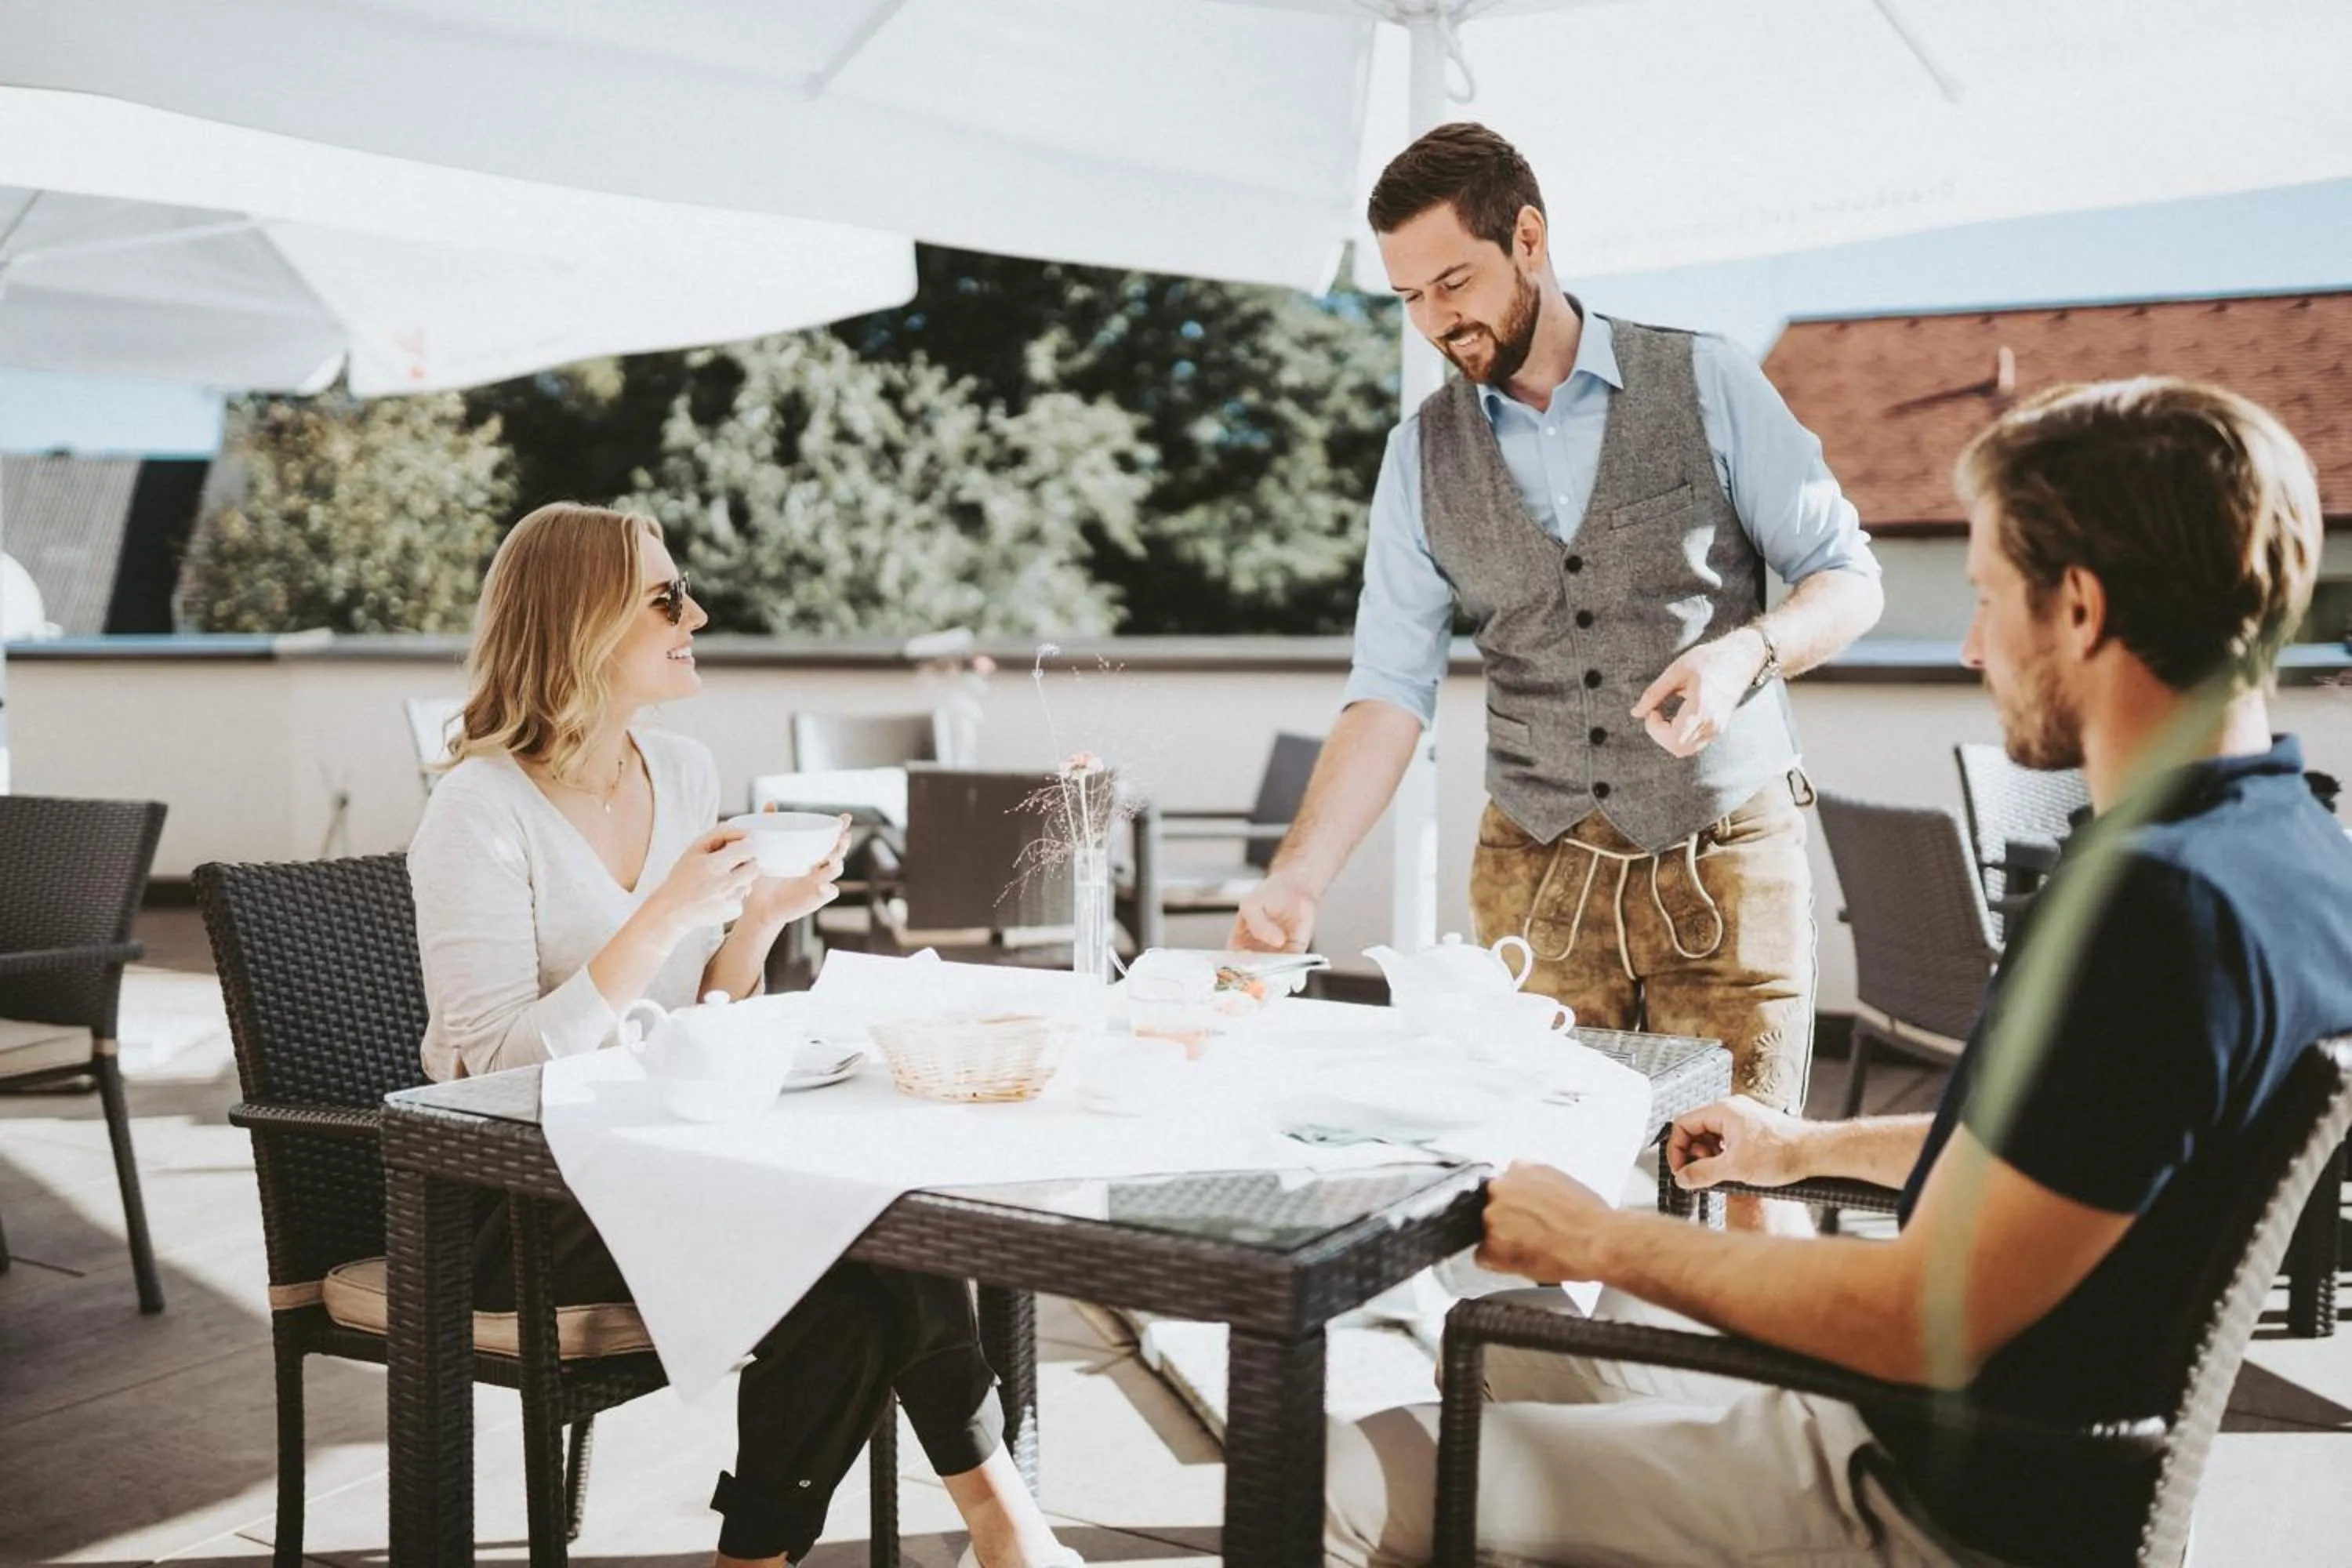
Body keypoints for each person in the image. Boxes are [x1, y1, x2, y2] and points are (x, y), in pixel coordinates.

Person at [1323, 376, 2352, 1565]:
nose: (1972, 646)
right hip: (1951, 1445)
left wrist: (1598, 1240)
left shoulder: (2160, 909)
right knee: (1519, 1337)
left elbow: (1921, 1323)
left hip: (1908, 1501)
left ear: (2078, 606)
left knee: (1340, 1474)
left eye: (1984, 600)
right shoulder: (2294, 856)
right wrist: (1797, 1149)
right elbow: (2070, 1157)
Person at [408, 503, 1080, 1568]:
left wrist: (760, 919)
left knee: (866, 1227)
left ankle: (784, 1556)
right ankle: (1002, 1528)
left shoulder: (676, 771)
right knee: (857, 1226)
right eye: (665, 598)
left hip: (665, 1161)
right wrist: (667, 913)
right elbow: (492, 1070)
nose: (698, 613)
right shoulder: (479, 810)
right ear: (581, 622)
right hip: (519, 1197)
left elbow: (697, 1022)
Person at [1232, 122, 1882, 1149]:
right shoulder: (1417, 460)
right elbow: (1388, 690)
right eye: (1408, 298)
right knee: (1541, 1186)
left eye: (1454, 282)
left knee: (1753, 1176)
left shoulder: (1706, 381)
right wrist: (1300, 878)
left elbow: (1850, 579)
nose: (1436, 321)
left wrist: (1744, 652)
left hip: (1723, 857)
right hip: (1533, 881)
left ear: (1528, 239)